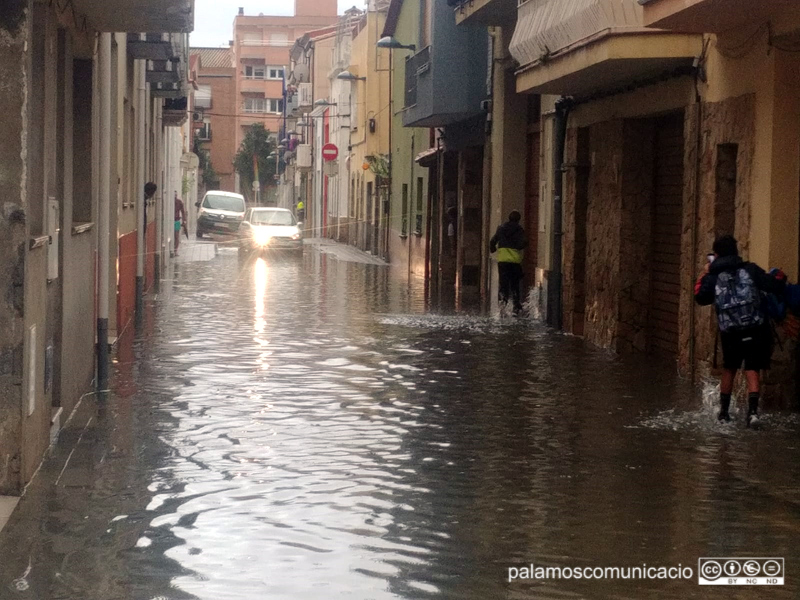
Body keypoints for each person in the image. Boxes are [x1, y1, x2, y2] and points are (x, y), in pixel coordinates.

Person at [694, 235, 786, 427]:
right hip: (755, 327)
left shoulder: (713, 277)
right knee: (752, 368)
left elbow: (700, 297)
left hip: (730, 331)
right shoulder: (750, 269)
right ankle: (753, 413)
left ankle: (723, 414)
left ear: (716, 255)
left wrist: (703, 274)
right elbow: (773, 285)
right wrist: (780, 276)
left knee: (730, 368)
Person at [490, 211, 528, 315]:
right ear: (518, 219)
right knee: (515, 284)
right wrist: (518, 247)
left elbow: (493, 241)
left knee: (503, 284)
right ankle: (516, 306)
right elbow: (525, 242)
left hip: (502, 260)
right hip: (515, 261)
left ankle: (502, 306)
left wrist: (493, 249)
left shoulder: (501, 228)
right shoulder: (519, 230)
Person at [174, 191, 186, 256]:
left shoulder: (179, 202)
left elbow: (183, 211)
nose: (175, 196)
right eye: (174, 195)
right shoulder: (170, 202)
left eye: (176, 195)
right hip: (171, 221)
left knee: (176, 235)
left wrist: (184, 220)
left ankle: (175, 250)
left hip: (177, 221)